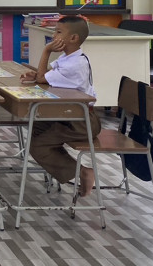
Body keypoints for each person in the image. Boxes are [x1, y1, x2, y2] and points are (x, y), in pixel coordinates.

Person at [20, 15, 100, 197]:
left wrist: (46, 50)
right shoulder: (69, 58)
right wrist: (36, 76)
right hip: (69, 115)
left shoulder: (75, 64)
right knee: (37, 127)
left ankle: (83, 172)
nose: (53, 36)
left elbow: (43, 78)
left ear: (73, 38)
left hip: (81, 122)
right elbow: (46, 75)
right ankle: (74, 169)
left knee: (38, 145)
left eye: (58, 32)